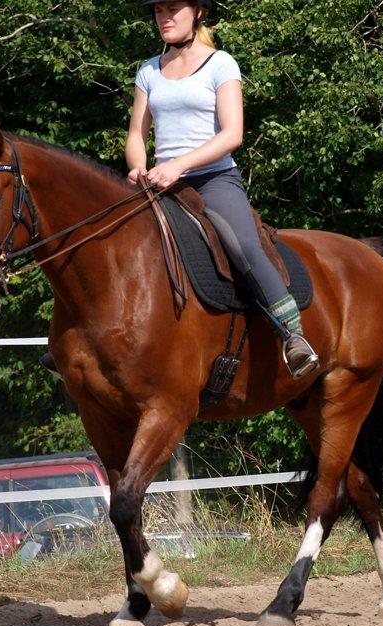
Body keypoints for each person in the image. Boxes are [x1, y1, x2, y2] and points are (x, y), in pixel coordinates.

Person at [129, 0, 318, 377]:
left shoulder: (221, 64)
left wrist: (179, 165)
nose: (164, 18)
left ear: (198, 12)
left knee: (243, 245)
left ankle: (293, 335)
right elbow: (136, 133)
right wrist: (138, 167)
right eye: (159, 11)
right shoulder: (148, 70)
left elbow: (233, 134)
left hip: (213, 180)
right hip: (160, 182)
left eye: (172, 10)